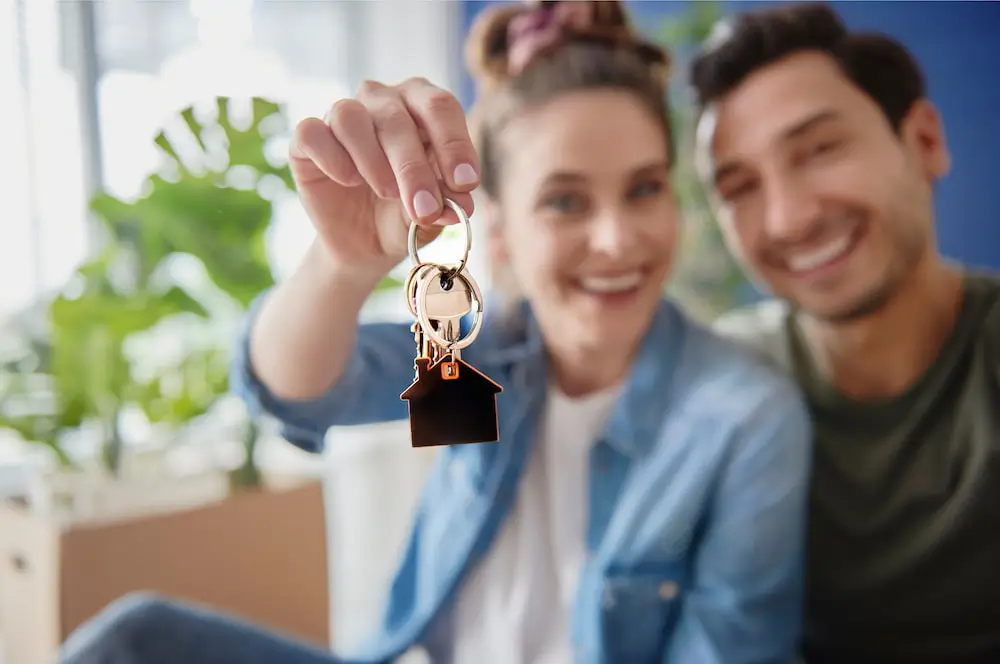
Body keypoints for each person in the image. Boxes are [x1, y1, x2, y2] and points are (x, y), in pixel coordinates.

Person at [58, 2, 812, 663]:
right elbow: (295, 391)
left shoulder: (741, 419)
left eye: (644, 189)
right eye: (565, 201)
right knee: (130, 640)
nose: (617, 240)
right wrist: (343, 265)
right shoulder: (486, 357)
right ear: (502, 232)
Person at [690, 3, 1000, 664]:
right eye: (739, 188)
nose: (789, 218)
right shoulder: (722, 382)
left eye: (820, 150)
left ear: (924, 141)